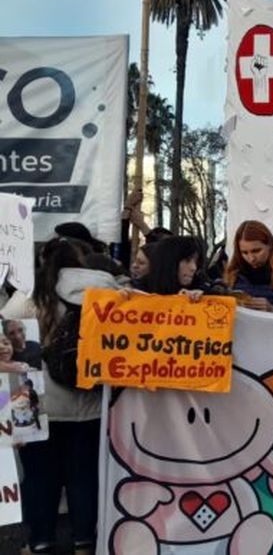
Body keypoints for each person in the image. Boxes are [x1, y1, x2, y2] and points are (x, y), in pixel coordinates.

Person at [23, 237, 117, 554]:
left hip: (41, 406)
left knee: (40, 477)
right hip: (90, 403)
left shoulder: (33, 297)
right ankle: (84, 541)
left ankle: (40, 540)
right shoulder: (108, 291)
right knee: (85, 475)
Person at [224, 221, 273, 313]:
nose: (251, 258)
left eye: (256, 251)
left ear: (270, 245)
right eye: (245, 252)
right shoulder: (233, 276)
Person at [136, 236, 210, 297]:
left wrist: (203, 298)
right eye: (187, 261)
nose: (194, 268)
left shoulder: (201, 288)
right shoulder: (139, 289)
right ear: (169, 261)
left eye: (196, 261)